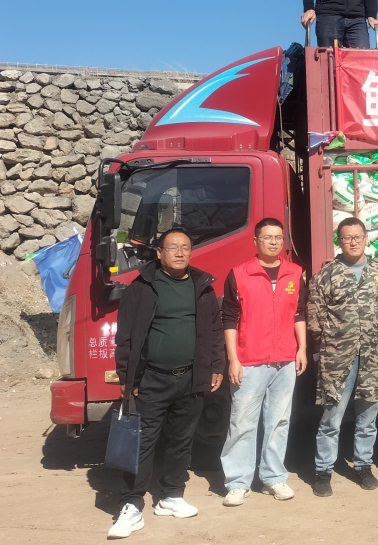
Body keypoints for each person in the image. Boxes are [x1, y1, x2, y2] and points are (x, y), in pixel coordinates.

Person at [109, 228, 224, 539]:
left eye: (185, 247)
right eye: (172, 247)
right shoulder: (142, 287)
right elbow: (125, 336)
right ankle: (131, 504)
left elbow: (214, 332)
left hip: (190, 378)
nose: (180, 252)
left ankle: (171, 495)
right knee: (142, 442)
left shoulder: (202, 287)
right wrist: (127, 377)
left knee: (181, 441)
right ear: (159, 253)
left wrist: (216, 366)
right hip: (152, 379)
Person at [220, 219, 308, 506]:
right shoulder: (239, 274)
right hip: (249, 360)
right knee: (242, 423)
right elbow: (229, 318)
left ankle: (274, 477)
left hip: (285, 360)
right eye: (267, 237)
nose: (273, 242)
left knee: (279, 421)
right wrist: (233, 359)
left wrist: (302, 348)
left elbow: (299, 313)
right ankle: (238, 482)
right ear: (255, 241)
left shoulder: (295, 273)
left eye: (278, 237)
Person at [308, 217, 378, 495]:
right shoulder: (327, 275)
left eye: (357, 237)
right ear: (339, 241)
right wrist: (329, 346)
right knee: (331, 418)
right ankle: (323, 471)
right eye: (346, 238)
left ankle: (363, 465)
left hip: (371, 356)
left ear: (366, 239)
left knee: (368, 416)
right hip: (337, 358)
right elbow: (315, 317)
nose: (353, 242)